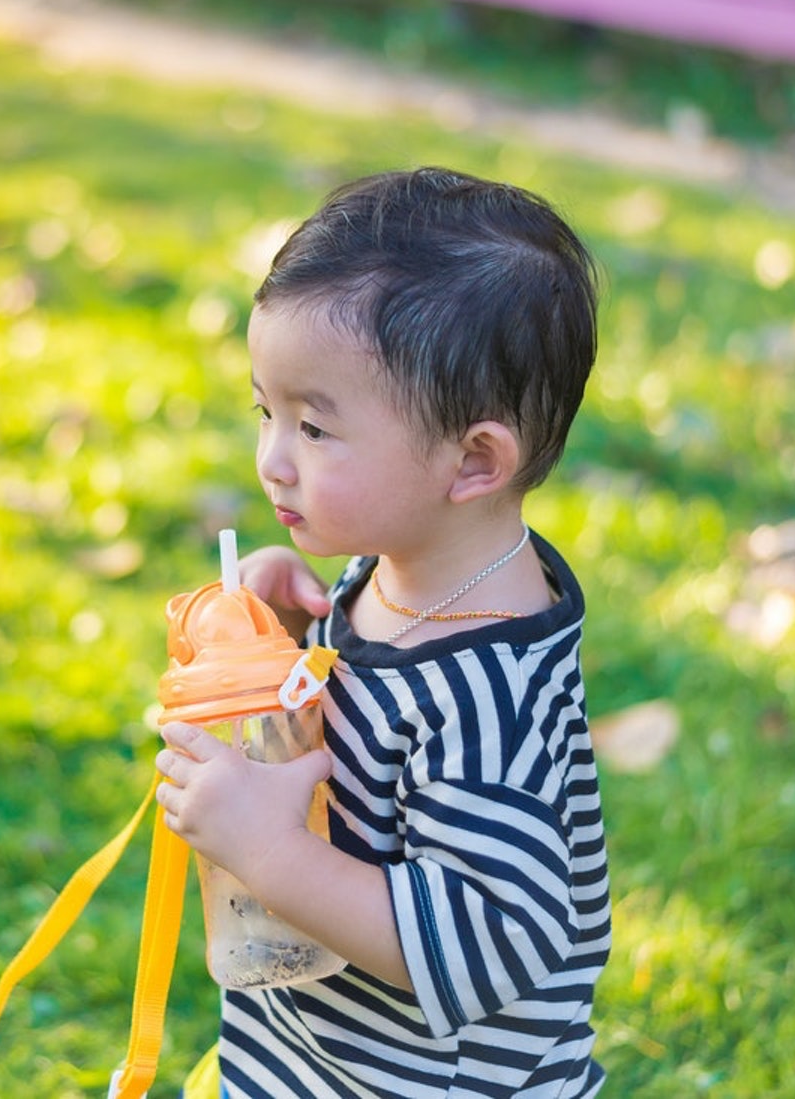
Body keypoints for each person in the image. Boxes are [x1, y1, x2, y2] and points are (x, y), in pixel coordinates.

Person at [154, 167, 611, 1097]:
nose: (271, 460)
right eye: (265, 411)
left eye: (315, 428)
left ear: (474, 461)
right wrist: (281, 647)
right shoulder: (392, 576)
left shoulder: (490, 704)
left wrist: (270, 851)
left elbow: (489, 948)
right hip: (317, 1066)